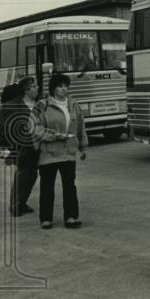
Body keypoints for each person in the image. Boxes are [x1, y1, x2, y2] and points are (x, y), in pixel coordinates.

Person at [30, 73, 88, 230]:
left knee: (70, 186)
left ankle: (71, 217)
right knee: (47, 186)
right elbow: (34, 127)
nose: (64, 89)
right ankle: (46, 218)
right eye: (60, 86)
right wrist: (53, 136)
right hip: (48, 152)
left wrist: (83, 147)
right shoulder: (42, 105)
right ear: (53, 88)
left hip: (68, 152)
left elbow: (81, 126)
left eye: (66, 86)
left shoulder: (73, 104)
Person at [0, 77, 41, 216]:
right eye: (34, 86)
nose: (37, 88)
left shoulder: (41, 104)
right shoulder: (10, 106)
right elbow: (2, 128)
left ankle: (21, 202)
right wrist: (2, 149)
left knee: (32, 175)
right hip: (22, 147)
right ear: (25, 90)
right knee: (22, 176)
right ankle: (15, 205)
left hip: (40, 145)